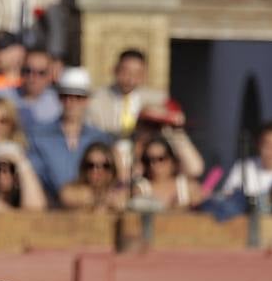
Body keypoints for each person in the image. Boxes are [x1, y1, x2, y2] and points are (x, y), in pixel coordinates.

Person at [28, 67, 112, 198]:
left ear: (87, 100)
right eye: (65, 96)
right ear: (58, 98)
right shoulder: (39, 136)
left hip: (90, 208)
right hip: (49, 208)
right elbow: (35, 176)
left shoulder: (101, 138)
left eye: (78, 97)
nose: (70, 102)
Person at [88, 48, 170, 138]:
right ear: (115, 70)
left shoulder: (157, 100)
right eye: (126, 72)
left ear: (144, 75)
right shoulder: (97, 99)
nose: (130, 79)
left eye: (137, 73)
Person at [130, 134, 203, 211]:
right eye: (149, 160)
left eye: (161, 159)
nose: (154, 165)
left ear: (171, 160)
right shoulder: (140, 189)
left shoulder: (188, 187)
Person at [58, 141, 127, 212]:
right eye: (91, 165)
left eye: (105, 166)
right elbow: (67, 196)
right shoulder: (72, 190)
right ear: (84, 168)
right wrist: (102, 200)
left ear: (112, 169)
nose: (97, 170)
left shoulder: (120, 192)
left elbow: (123, 199)